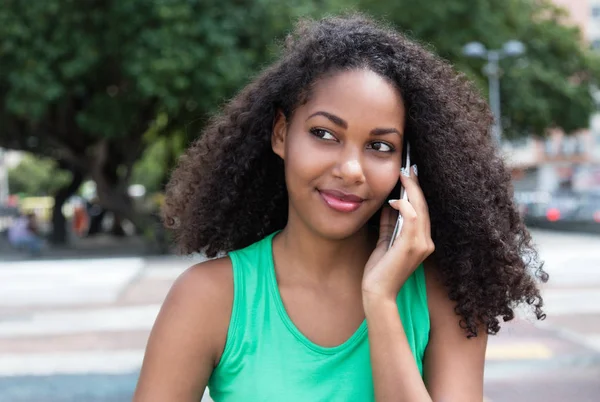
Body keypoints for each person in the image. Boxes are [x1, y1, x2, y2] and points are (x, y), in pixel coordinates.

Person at [134, 15, 548, 401]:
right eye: (324, 134)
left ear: (409, 167)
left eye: (380, 146)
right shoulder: (210, 297)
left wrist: (381, 300)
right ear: (281, 134)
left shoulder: (449, 296)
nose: (350, 170)